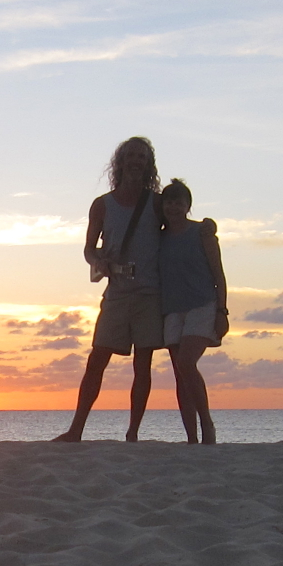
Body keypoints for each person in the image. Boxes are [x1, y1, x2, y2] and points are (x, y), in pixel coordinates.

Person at [53, 136, 163, 442]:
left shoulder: (157, 203)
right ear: (120, 161)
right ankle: (76, 430)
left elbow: (180, 228)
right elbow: (88, 248)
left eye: (142, 157)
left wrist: (204, 230)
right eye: (131, 156)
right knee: (97, 359)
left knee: (143, 363)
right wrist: (97, 259)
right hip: (117, 291)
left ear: (148, 164)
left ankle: (133, 433)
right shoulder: (103, 205)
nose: (136, 161)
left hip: (150, 292)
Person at [160, 179, 228, 445]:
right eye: (169, 202)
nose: (174, 207)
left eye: (179, 202)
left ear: (188, 206)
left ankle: (207, 425)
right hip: (171, 309)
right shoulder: (159, 237)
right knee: (180, 373)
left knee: (187, 363)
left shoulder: (202, 233)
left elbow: (218, 275)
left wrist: (222, 311)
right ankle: (191, 437)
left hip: (202, 304)